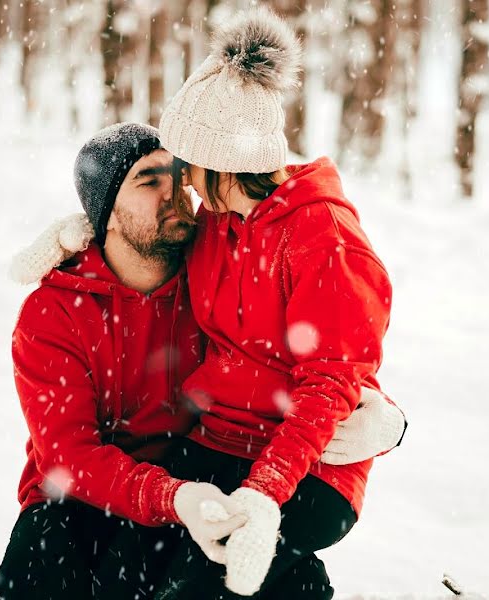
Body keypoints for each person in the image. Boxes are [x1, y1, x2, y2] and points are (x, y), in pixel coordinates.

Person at [0, 122, 406, 599]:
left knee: (271, 576)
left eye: (177, 174)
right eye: (149, 181)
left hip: (203, 476)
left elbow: (319, 350)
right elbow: (71, 457)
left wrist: (387, 417)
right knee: (41, 559)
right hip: (89, 499)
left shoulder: (210, 276)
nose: (175, 192)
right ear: (104, 214)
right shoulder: (54, 314)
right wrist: (173, 498)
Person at [147, 8, 397, 598]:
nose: (182, 181)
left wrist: (265, 494)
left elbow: (330, 381)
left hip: (308, 469)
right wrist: (81, 232)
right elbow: (143, 254)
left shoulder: (321, 239)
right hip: (216, 444)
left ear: (222, 164)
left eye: (188, 166)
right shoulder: (216, 223)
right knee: (133, 556)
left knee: (193, 585)